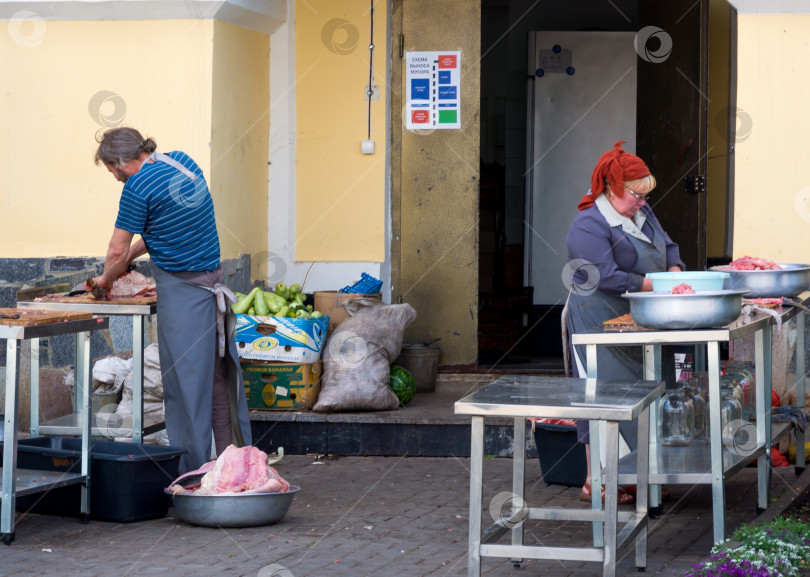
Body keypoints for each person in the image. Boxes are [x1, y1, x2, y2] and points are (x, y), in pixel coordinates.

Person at [92, 127, 252, 474]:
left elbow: (117, 248)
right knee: (217, 381)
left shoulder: (137, 187)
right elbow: (158, 228)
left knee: (184, 390)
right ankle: (230, 467)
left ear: (120, 162)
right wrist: (123, 268)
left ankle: (191, 475)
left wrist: (104, 280)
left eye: (112, 171)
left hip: (184, 294)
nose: (115, 178)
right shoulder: (182, 163)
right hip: (212, 285)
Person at [564, 141, 684, 504]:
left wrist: (674, 271)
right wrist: (659, 285)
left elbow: (669, 247)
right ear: (612, 188)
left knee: (647, 389)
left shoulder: (642, 214)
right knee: (600, 394)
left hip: (641, 317)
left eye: (646, 194)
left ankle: (636, 473)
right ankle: (595, 480)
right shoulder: (589, 223)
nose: (642, 201)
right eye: (636, 194)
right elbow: (604, 275)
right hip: (596, 317)